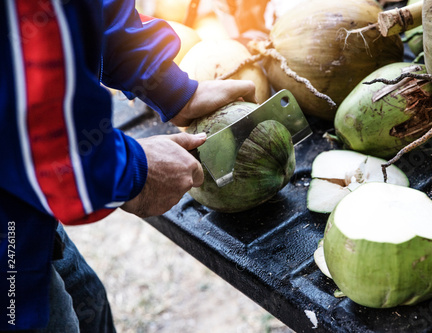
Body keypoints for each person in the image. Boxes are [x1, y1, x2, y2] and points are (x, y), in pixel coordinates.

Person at [0, 0, 255, 332]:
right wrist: (134, 172)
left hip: (22, 217)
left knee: (87, 299)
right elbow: (39, 131)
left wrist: (169, 87)